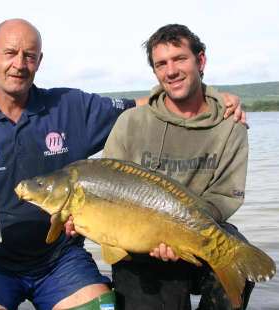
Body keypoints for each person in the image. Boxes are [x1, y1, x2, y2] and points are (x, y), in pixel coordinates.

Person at [0, 19, 243, 310]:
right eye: (10, 53)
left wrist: (213, 98)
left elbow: (145, 105)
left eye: (29, 55)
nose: (19, 63)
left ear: (39, 61)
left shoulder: (71, 107)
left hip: (60, 260)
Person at [101, 24, 253, 309]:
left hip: (200, 232)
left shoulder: (231, 126)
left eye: (179, 59)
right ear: (156, 72)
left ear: (201, 60)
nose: (171, 71)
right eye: (161, 64)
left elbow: (224, 197)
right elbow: (109, 188)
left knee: (237, 258)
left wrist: (179, 229)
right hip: (143, 245)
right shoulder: (131, 123)